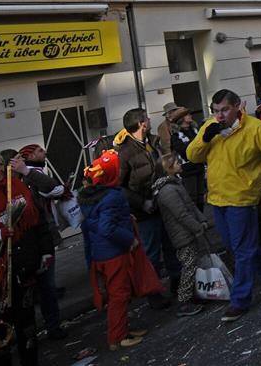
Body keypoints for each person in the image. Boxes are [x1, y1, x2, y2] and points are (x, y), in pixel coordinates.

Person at [187, 89, 261, 323]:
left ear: (237, 107)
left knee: (242, 250)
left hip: (242, 198)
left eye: (224, 110)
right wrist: (205, 138)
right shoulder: (210, 127)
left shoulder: (255, 129)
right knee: (235, 247)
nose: (219, 115)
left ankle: (239, 300)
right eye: (215, 110)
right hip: (217, 198)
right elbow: (192, 156)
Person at [78, 150, 162, 351]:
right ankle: (118, 337)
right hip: (114, 253)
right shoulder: (112, 197)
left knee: (119, 292)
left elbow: (95, 224)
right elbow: (107, 227)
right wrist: (129, 239)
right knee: (120, 294)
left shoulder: (89, 197)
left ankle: (123, 330)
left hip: (102, 253)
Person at [0, 150, 51, 366]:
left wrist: (46, 250)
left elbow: (39, 221)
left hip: (25, 267)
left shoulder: (19, 187)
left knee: (27, 326)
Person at [114, 108, 178, 303]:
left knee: (171, 246)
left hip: (163, 203)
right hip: (144, 211)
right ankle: (154, 295)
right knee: (151, 253)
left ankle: (179, 284)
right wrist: (142, 203)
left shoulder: (153, 141)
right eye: (147, 118)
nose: (150, 120)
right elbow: (119, 186)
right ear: (142, 123)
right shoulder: (125, 153)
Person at [8, 145, 67, 340]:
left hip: (40, 244)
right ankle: (26, 335)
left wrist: (26, 172)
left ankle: (53, 326)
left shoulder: (29, 180)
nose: (22, 163)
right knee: (24, 296)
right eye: (17, 160)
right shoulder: (2, 190)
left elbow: (54, 188)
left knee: (47, 288)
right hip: (18, 250)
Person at [152, 155, 208, 317]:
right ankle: (184, 301)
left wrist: (201, 220)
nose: (180, 163)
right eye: (176, 162)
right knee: (189, 266)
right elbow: (181, 214)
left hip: (186, 231)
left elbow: (189, 206)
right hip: (182, 234)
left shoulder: (174, 184)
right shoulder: (168, 190)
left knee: (192, 263)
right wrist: (197, 226)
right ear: (168, 169)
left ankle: (191, 296)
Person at [166, 107, 204, 210]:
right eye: (187, 114)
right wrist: (197, 147)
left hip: (199, 166)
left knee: (201, 195)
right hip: (188, 170)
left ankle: (202, 218)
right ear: (181, 119)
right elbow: (183, 151)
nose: (190, 116)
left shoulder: (196, 130)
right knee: (192, 196)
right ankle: (197, 220)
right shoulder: (176, 136)